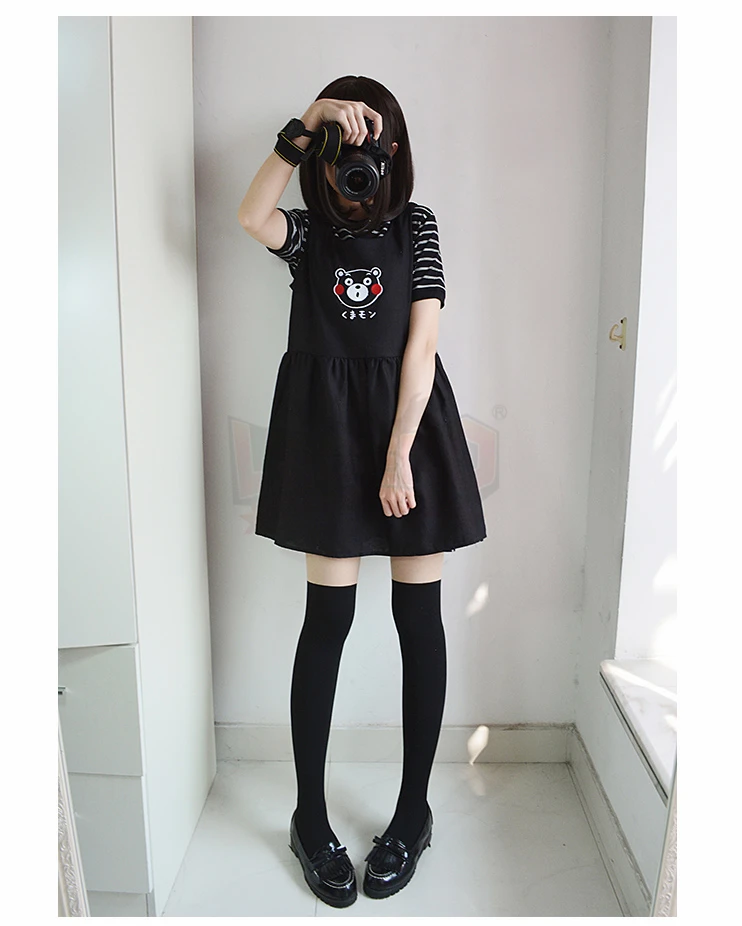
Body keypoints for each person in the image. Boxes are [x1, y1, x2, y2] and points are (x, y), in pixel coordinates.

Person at [237, 75, 487, 908]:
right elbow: (251, 216)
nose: (357, 161)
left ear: (393, 150)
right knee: (328, 622)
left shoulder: (417, 225)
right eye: (341, 146)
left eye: (370, 144)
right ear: (321, 155)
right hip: (327, 437)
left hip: (409, 433)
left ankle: (413, 814)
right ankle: (309, 818)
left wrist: (399, 455)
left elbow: (422, 346)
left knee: (419, 620)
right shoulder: (306, 234)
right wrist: (305, 125)